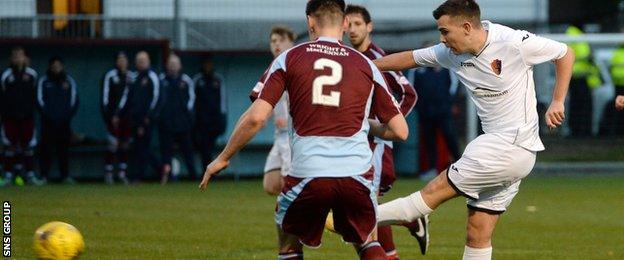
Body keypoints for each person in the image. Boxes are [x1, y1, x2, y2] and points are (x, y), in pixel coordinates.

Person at [200, 0, 409, 259]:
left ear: (310, 22)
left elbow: (256, 118)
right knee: (367, 241)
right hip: (357, 172)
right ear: (344, 23)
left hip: (309, 172)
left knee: (288, 239)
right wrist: (366, 125)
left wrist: (223, 158)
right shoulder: (366, 65)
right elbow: (400, 131)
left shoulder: (289, 58)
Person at [371, 0, 574, 259]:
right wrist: (366, 66)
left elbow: (565, 53)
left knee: (426, 198)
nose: (441, 39)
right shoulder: (450, 52)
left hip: (509, 146)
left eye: (445, 31)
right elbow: (409, 58)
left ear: (466, 26)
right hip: (510, 152)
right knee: (477, 231)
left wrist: (557, 100)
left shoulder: (513, 42)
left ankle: (347, 217)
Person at [344, 4, 420, 258]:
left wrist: (388, 124)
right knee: (364, 207)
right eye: (348, 24)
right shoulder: (345, 56)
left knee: (366, 208)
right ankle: (408, 222)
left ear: (369, 27)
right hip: (353, 141)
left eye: (357, 24)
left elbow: (409, 93)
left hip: (375, 143)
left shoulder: (378, 58)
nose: (352, 29)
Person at [253, 25, 296, 196]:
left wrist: (290, 118)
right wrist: (263, 116)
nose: (276, 44)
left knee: (289, 185)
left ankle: (292, 217)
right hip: (279, 136)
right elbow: (270, 99)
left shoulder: (295, 65)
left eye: (281, 40)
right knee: (271, 185)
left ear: (291, 42)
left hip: (293, 135)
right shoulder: (273, 68)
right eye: (273, 41)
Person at [410, 43, 461, 181]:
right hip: (425, 112)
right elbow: (412, 89)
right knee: (429, 141)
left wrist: (450, 103)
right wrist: (419, 107)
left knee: (450, 137)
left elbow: (454, 86)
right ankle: (432, 169)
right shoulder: (417, 71)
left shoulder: (448, 67)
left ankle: (460, 165)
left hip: (444, 111)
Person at [0, 47, 44, 186]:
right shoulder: (6, 75)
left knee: (28, 146)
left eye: (20, 56)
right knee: (9, 146)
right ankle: (7, 176)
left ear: (26, 59)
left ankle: (29, 175)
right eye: (15, 56)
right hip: (9, 117)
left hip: (27, 116)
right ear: (11, 59)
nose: (18, 59)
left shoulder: (32, 75)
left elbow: (36, 96)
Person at [37, 56, 80, 183]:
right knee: (46, 149)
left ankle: (65, 175)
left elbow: (74, 101)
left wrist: (65, 117)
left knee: (64, 150)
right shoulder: (44, 81)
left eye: (58, 66)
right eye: (54, 66)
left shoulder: (69, 81)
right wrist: (48, 116)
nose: (56, 68)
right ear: (50, 67)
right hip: (47, 122)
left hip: (64, 123)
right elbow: (39, 100)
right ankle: (44, 175)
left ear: (62, 67)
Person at [158, 53, 197, 183]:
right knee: (166, 152)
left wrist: (187, 116)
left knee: (188, 151)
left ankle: (194, 177)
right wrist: (162, 115)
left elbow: (192, 99)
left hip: (183, 123)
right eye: (170, 64)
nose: (173, 66)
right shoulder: (161, 80)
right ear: (166, 65)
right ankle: (166, 178)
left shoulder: (186, 80)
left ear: (180, 66)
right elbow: (157, 100)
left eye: (175, 64)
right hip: (166, 123)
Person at [122, 51, 161, 181]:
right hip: (134, 119)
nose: (141, 63)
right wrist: (119, 113)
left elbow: (155, 98)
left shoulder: (152, 77)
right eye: (139, 61)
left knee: (143, 147)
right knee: (139, 148)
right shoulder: (133, 77)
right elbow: (127, 97)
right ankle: (161, 170)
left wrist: (148, 117)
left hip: (146, 120)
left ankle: (149, 173)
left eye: (143, 61)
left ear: (148, 61)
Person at [101, 52, 132, 185]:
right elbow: (105, 98)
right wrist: (110, 116)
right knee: (113, 144)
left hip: (127, 117)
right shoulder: (110, 76)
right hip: (113, 118)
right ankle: (108, 173)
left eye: (124, 59)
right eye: (119, 59)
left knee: (125, 144)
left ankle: (122, 173)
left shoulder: (131, 77)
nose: (122, 62)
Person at [193, 55, 227, 169]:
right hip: (201, 120)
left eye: (209, 64)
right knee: (203, 146)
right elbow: (193, 99)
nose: (208, 66)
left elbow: (222, 100)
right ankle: (206, 170)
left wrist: (222, 118)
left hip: (214, 119)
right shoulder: (198, 80)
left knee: (210, 146)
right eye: (205, 64)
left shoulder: (218, 79)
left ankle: (211, 169)